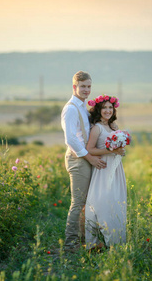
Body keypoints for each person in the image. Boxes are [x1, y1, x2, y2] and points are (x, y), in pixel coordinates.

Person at [61, 71, 107, 252]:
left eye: (89, 86)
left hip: (85, 157)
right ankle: (70, 244)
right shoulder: (71, 108)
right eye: (83, 86)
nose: (87, 90)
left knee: (87, 201)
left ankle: (84, 240)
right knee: (78, 202)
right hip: (77, 158)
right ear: (74, 87)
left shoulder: (81, 106)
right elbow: (71, 139)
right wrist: (90, 157)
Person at [84, 95, 127, 251]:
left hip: (116, 170)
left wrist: (120, 151)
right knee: (101, 202)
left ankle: (117, 244)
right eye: (104, 108)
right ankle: (95, 242)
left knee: (116, 201)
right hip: (103, 169)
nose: (108, 110)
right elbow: (90, 149)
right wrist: (111, 150)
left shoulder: (114, 127)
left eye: (110, 107)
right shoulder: (97, 128)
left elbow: (118, 148)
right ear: (99, 110)